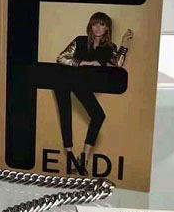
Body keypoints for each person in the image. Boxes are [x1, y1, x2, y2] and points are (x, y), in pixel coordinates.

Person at [55, 12, 133, 175]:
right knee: (65, 109)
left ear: (107, 28)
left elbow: (117, 64)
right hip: (69, 79)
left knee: (98, 115)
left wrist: (124, 44)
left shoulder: (109, 48)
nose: (98, 28)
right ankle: (70, 153)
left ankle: (83, 158)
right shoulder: (80, 41)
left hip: (84, 85)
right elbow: (61, 58)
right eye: (95, 24)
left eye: (102, 24)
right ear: (90, 26)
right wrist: (86, 63)